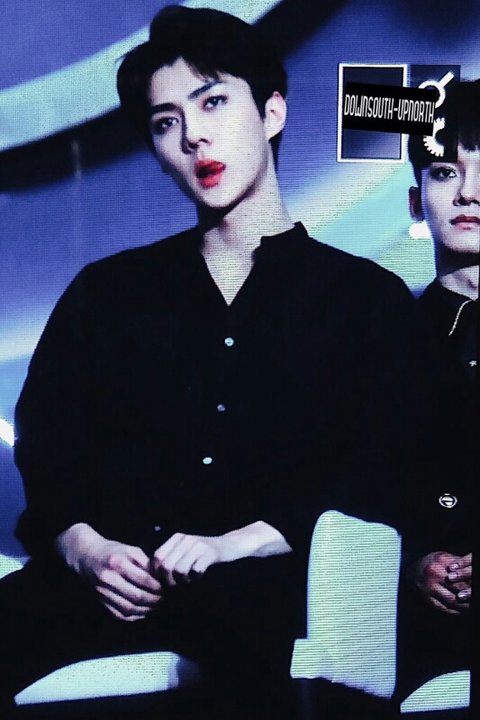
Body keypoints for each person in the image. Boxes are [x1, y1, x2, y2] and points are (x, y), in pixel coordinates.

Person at [0, 6, 432, 718]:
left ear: (271, 112)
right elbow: (49, 446)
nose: (192, 135)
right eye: (165, 122)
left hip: (270, 594)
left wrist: (236, 543)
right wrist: (87, 551)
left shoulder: (366, 299)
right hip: (111, 584)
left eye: (212, 102)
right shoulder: (107, 293)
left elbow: (385, 473)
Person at [395, 79, 477, 700]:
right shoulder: (385, 338)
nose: (469, 193)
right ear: (416, 201)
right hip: (425, 635)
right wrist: (415, 565)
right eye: (446, 172)